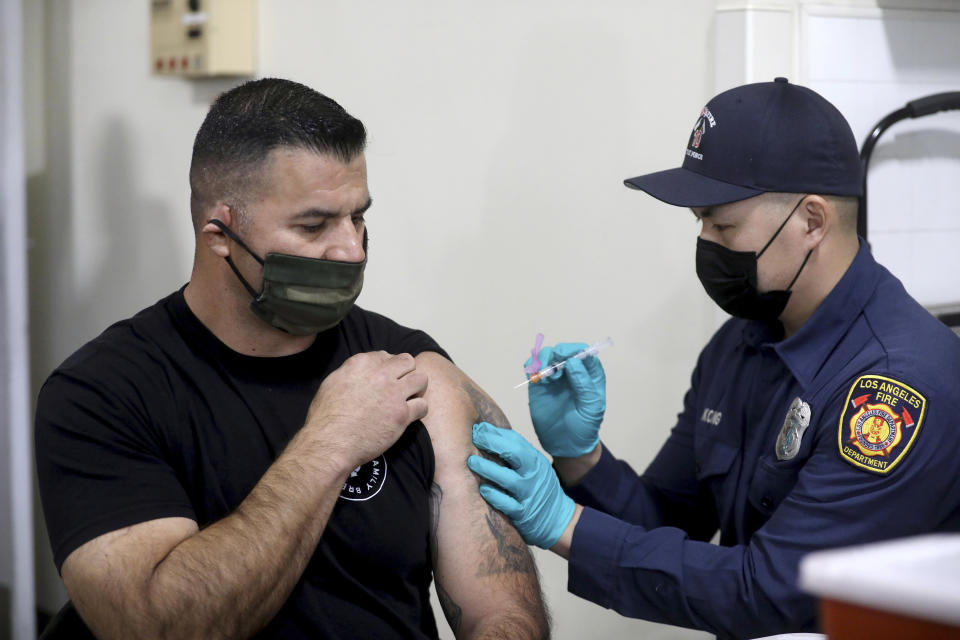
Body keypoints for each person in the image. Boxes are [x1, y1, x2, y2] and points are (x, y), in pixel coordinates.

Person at [35, 78, 549, 640]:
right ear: (220, 233)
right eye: (314, 225)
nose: (351, 249)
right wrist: (332, 441)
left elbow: (501, 612)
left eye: (358, 216)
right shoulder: (104, 393)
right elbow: (156, 626)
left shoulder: (408, 368)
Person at [466, 77, 960, 639]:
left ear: (812, 222)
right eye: (699, 221)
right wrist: (581, 459)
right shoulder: (740, 344)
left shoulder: (893, 388)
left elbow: (770, 592)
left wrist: (563, 524)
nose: (705, 243)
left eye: (723, 224)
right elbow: (670, 522)